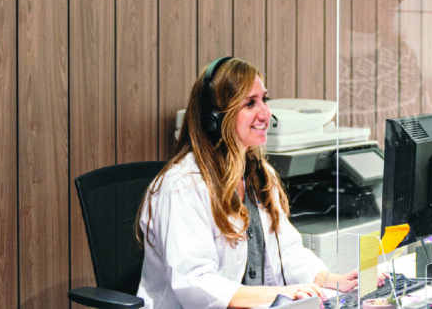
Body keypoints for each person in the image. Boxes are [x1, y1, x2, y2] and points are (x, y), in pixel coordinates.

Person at [136, 56, 374, 308]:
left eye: (264, 99)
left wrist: (331, 280)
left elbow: (288, 251)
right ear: (214, 119)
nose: (265, 113)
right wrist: (277, 294)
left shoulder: (259, 175)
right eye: (250, 103)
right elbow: (195, 282)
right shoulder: (182, 186)